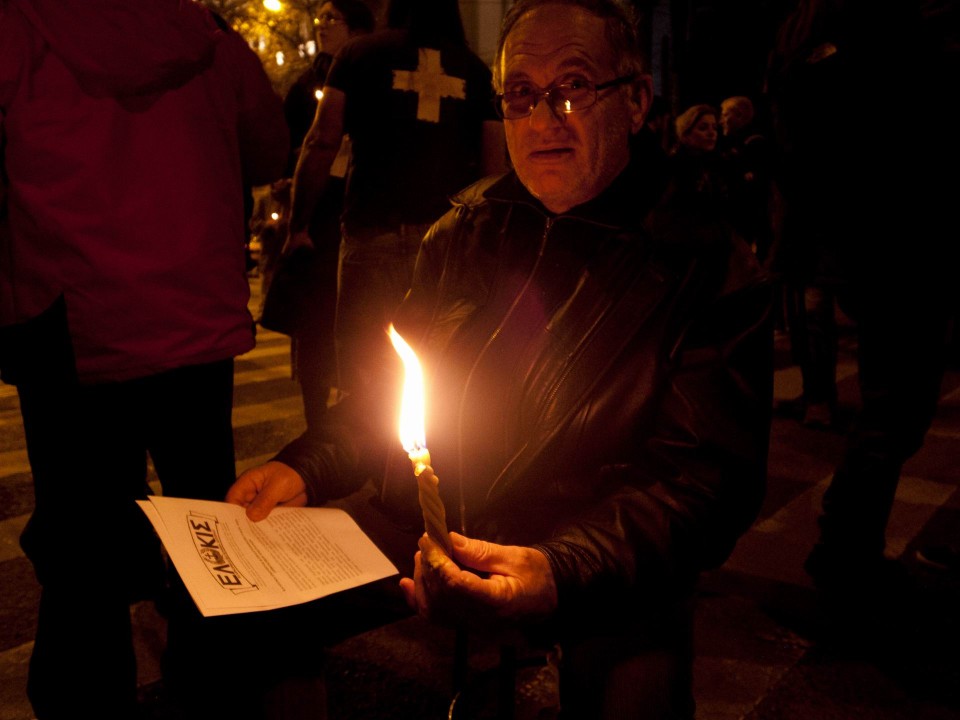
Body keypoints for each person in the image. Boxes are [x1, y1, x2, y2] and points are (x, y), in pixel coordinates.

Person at [225, 0, 773, 716]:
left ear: (636, 100)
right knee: (252, 613)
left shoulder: (701, 262)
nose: (544, 118)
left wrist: (559, 569)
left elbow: (705, 485)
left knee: (636, 696)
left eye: (573, 86)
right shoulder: (466, 229)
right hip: (436, 515)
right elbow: (396, 395)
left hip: (598, 548)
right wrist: (306, 464)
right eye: (521, 94)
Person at [0, 1, 289, 717]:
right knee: (211, 527)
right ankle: (218, 693)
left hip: (74, 322)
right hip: (193, 318)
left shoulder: (20, 27)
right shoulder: (207, 36)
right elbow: (268, 151)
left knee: (82, 552)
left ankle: (85, 699)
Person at [765, 0, 956, 605]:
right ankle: (845, 550)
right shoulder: (856, 26)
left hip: (880, 234)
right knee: (894, 407)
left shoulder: (828, 29)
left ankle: (846, 545)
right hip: (893, 235)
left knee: (894, 405)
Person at [284, 0, 507, 408]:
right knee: (442, 371)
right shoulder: (475, 70)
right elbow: (494, 169)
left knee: (366, 376)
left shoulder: (358, 55)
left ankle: (374, 467)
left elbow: (321, 141)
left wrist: (298, 226)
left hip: (373, 234)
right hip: (446, 242)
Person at [267, 0, 375, 429]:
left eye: (333, 17)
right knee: (313, 330)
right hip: (316, 220)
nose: (322, 24)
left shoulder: (369, 73)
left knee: (360, 331)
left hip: (355, 215)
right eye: (321, 17)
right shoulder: (306, 83)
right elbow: (291, 141)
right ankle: (318, 423)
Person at [718, 95, 774, 264]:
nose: (721, 121)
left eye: (725, 115)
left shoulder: (754, 146)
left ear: (740, 116)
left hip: (748, 226)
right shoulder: (730, 147)